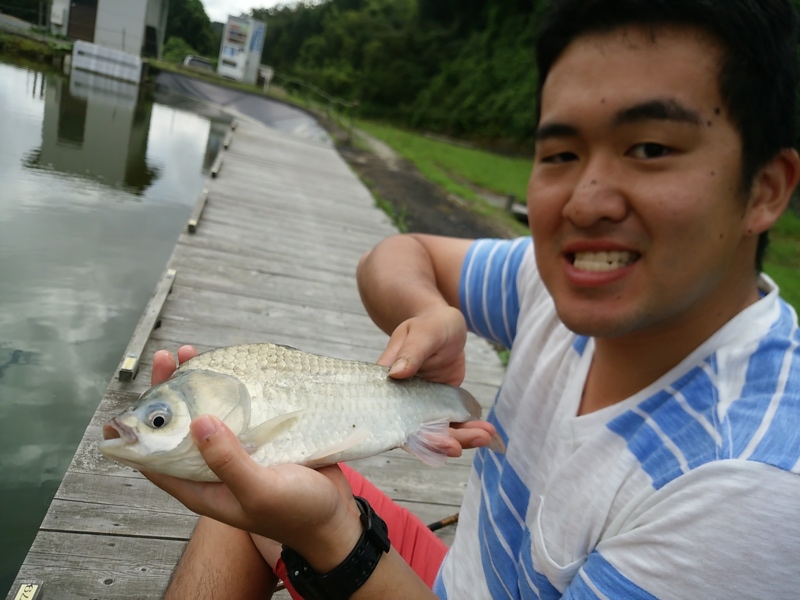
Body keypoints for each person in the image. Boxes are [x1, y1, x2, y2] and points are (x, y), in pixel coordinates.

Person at [142, 0, 800, 597]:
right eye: (562, 153)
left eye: (650, 149)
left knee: (281, 498)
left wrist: (334, 537)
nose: (586, 203)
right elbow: (396, 258)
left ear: (767, 188)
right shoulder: (562, 279)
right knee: (240, 463)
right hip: (455, 577)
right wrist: (429, 310)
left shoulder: (744, 486)